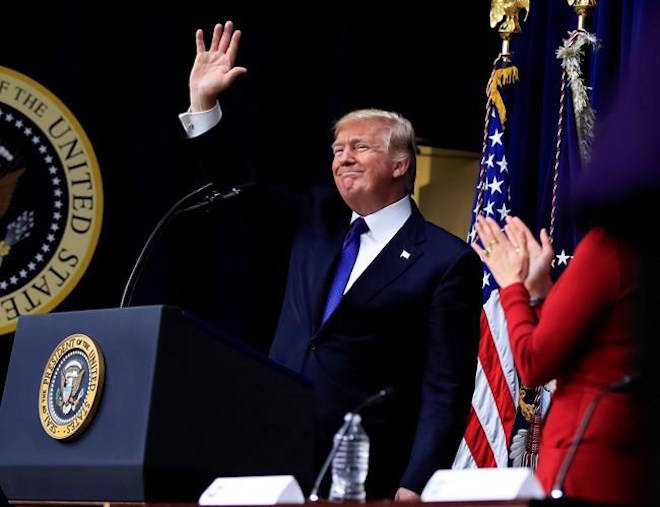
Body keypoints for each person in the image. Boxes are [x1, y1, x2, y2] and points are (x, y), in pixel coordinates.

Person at [180, 21, 482, 500]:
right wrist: (204, 105)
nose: (343, 158)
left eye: (359, 147)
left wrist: (416, 482)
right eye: (337, 150)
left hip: (367, 471)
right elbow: (232, 182)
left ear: (401, 163)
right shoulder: (315, 216)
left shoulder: (447, 261)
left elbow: (445, 385)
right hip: (271, 455)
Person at [472, 214, 645, 504]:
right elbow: (591, 352)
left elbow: (533, 364)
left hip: (583, 464)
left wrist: (512, 287)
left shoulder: (608, 246)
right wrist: (539, 292)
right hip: (625, 460)